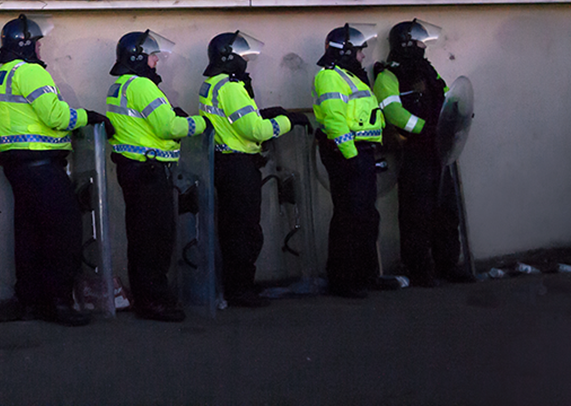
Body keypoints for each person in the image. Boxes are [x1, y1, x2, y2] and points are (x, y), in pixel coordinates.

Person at [0, 14, 109, 326]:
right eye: (39, 44)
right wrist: (87, 117)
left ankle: (29, 300)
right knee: (64, 233)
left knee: (29, 236)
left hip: (18, 168)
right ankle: (58, 302)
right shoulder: (31, 73)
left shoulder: (2, 75)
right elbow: (55, 116)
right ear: (28, 45)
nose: (42, 51)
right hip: (42, 167)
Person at [105, 30, 205, 322]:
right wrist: (200, 123)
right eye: (152, 56)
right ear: (138, 57)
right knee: (156, 239)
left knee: (140, 238)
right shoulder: (143, 86)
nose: (156, 61)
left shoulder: (120, 85)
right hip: (150, 173)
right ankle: (155, 302)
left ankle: (146, 298)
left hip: (133, 170)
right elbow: (168, 128)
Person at [197, 31, 302, 307]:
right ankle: (241, 289)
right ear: (229, 58)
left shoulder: (212, 85)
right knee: (244, 231)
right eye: (243, 57)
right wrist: (287, 121)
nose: (246, 63)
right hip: (238, 166)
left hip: (224, 163)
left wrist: (265, 113)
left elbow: (233, 121)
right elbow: (254, 130)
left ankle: (236, 286)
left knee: (233, 229)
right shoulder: (231, 87)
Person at [373, 19, 468, 286]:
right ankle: (419, 269)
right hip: (414, 152)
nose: (422, 48)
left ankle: (448, 264)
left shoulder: (429, 71)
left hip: (440, 152)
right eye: (418, 42)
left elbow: (448, 97)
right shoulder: (388, 75)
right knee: (417, 213)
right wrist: (426, 129)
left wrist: (457, 117)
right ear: (405, 43)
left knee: (447, 210)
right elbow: (393, 112)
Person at [312, 24, 383, 298]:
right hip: (346, 154)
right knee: (349, 217)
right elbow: (335, 120)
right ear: (345, 52)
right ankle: (343, 280)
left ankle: (365, 275)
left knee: (366, 216)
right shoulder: (329, 77)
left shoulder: (350, 76)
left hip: (361, 152)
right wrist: (351, 156)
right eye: (359, 51)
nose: (363, 57)